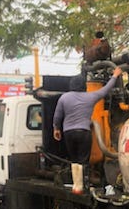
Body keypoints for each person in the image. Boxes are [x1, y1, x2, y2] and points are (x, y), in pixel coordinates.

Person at [53, 66, 123, 194]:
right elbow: (106, 89)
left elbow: (58, 115)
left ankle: (76, 187)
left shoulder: (64, 98)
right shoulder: (90, 97)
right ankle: (84, 186)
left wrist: (56, 128)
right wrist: (115, 75)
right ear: (83, 86)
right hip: (84, 132)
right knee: (84, 160)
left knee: (74, 160)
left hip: (68, 133)